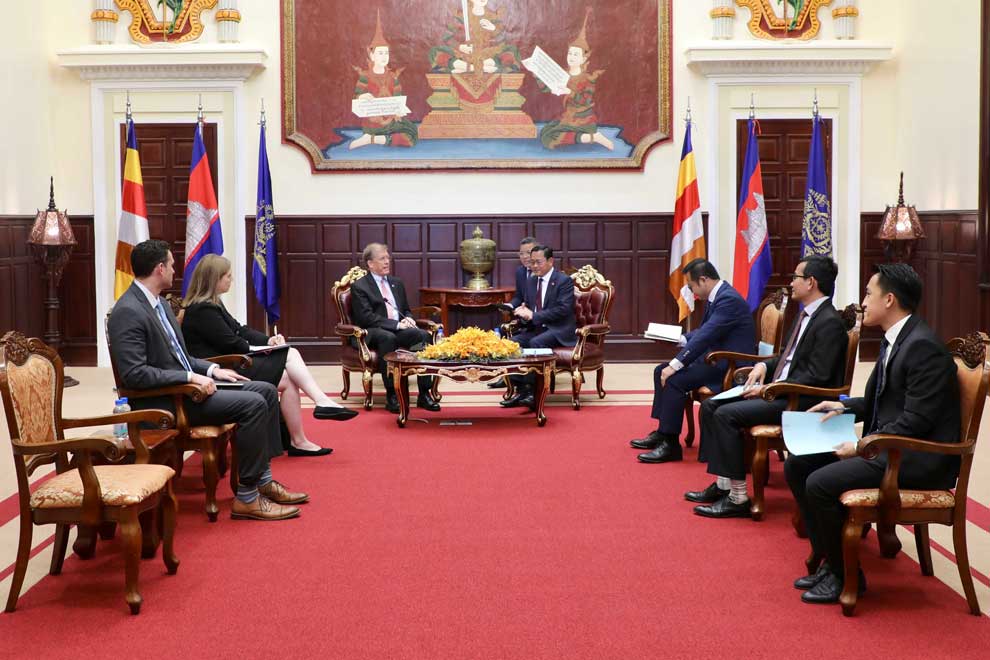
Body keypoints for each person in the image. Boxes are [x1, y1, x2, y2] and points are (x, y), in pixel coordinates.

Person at [785, 263, 960, 605]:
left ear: (889, 299)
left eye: (868, 293)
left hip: (915, 458)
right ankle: (829, 559)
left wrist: (862, 446)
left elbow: (916, 421)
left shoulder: (923, 347)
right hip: (889, 445)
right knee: (798, 464)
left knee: (819, 483)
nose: (863, 302)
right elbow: (881, 400)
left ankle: (846, 576)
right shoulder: (897, 338)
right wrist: (842, 407)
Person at [108, 240, 306, 521]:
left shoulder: (160, 304)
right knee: (253, 404)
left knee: (264, 389)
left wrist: (212, 370)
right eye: (172, 265)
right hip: (166, 402)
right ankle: (247, 498)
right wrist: (190, 377)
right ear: (160, 268)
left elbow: (181, 356)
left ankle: (262, 481)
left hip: (185, 390)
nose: (175, 270)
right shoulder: (128, 311)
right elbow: (135, 374)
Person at [685, 255, 848, 519]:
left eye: (796, 277)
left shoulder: (829, 322)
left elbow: (817, 377)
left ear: (811, 282)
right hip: (782, 391)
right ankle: (724, 485)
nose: (791, 283)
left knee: (725, 415)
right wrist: (764, 365)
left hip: (800, 402)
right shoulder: (807, 314)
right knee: (710, 406)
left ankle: (738, 498)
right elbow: (788, 357)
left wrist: (769, 389)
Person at [181, 254, 356, 458]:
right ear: (215, 279)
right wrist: (264, 348)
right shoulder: (202, 310)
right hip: (222, 369)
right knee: (290, 353)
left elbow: (240, 329)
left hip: (231, 363)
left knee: (289, 379)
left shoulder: (213, 304)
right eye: (228, 276)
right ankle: (319, 404)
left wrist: (268, 341)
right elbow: (232, 343)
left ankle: (299, 439)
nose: (231, 279)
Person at [633, 259, 755, 463]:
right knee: (660, 371)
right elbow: (704, 331)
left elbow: (706, 336)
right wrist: (679, 339)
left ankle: (671, 444)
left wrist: (675, 365)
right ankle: (663, 432)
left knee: (674, 379)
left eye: (691, 286)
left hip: (729, 367)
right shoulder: (718, 296)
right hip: (716, 360)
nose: (691, 291)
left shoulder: (728, 300)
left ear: (703, 280)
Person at [350, 242, 440, 414]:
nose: (387, 262)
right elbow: (366, 317)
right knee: (387, 338)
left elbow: (405, 309)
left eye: (388, 258)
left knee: (423, 337)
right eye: (382, 259)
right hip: (372, 332)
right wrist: (397, 325)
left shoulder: (396, 283)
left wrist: (409, 319)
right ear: (370, 263)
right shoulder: (360, 286)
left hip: (398, 330)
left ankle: (424, 393)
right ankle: (392, 395)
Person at [500, 245, 576, 410]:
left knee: (536, 343)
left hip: (558, 329)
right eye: (532, 262)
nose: (534, 266)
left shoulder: (564, 281)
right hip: (537, 328)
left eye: (538, 262)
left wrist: (534, 316)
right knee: (511, 343)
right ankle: (520, 390)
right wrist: (522, 313)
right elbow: (529, 307)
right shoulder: (531, 280)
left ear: (550, 261)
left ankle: (533, 393)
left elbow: (563, 310)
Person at [529, 9, 614, 151]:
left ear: (583, 59)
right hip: (568, 118)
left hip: (583, 119)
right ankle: (587, 137)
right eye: (570, 53)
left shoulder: (588, 78)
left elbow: (585, 100)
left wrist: (569, 91)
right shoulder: (564, 74)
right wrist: (537, 73)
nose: (571, 57)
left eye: (576, 54)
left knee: (548, 137)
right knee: (545, 132)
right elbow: (546, 87)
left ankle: (594, 137)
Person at [349, 10, 418, 150]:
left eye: (386, 53)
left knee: (412, 133)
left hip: (391, 120)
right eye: (380, 53)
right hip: (372, 122)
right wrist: (363, 96)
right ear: (372, 56)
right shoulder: (365, 77)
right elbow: (357, 96)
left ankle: (373, 139)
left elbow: (398, 98)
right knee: (408, 134)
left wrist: (399, 110)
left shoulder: (392, 77)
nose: (384, 56)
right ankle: (372, 136)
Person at [489, 236, 537, 390]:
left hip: (537, 317)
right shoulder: (520, 272)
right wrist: (509, 305)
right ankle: (506, 376)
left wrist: (529, 311)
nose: (525, 257)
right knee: (501, 330)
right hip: (522, 315)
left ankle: (520, 379)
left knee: (517, 337)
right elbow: (519, 296)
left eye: (528, 253)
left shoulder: (542, 272)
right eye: (521, 253)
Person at [429, 0, 521, 75]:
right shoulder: (461, 16)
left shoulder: (493, 17)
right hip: (466, 54)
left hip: (487, 54)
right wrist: (460, 47)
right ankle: (477, 68)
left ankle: (466, 67)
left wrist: (493, 28)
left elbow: (502, 40)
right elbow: (447, 37)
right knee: (435, 52)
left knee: (513, 51)